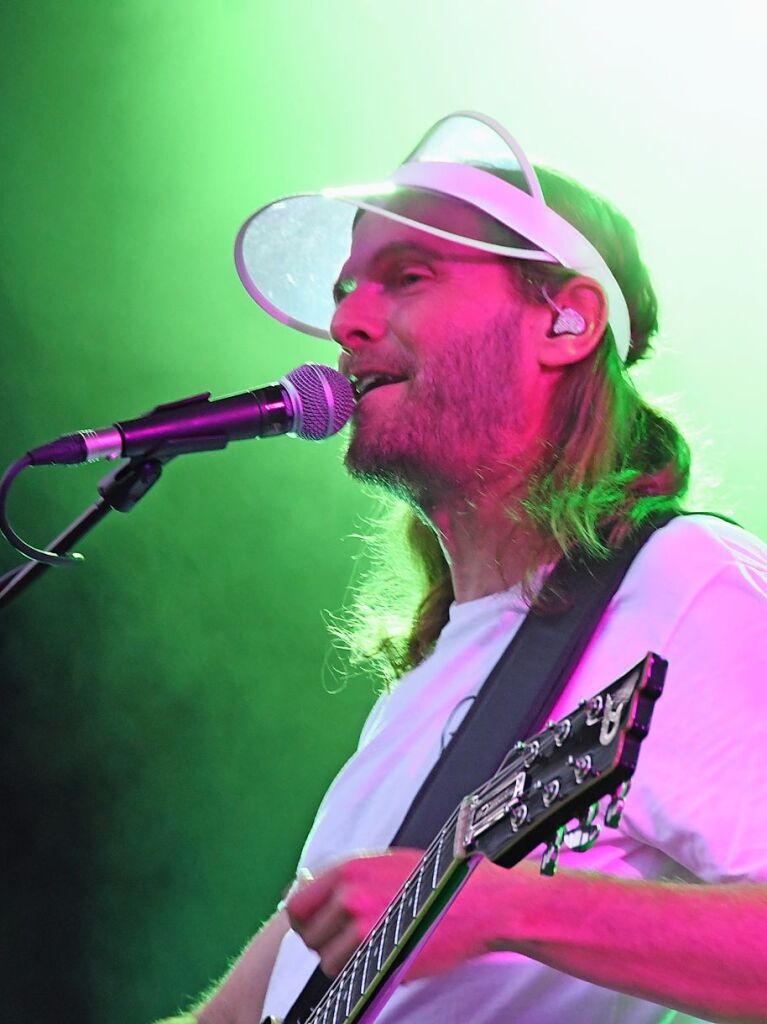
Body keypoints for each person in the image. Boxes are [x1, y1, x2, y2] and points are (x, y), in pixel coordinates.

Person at [159, 113, 767, 1024]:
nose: (345, 322)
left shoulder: (685, 588)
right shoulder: (437, 682)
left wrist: (503, 908)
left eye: (407, 278)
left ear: (565, 322)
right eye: (345, 291)